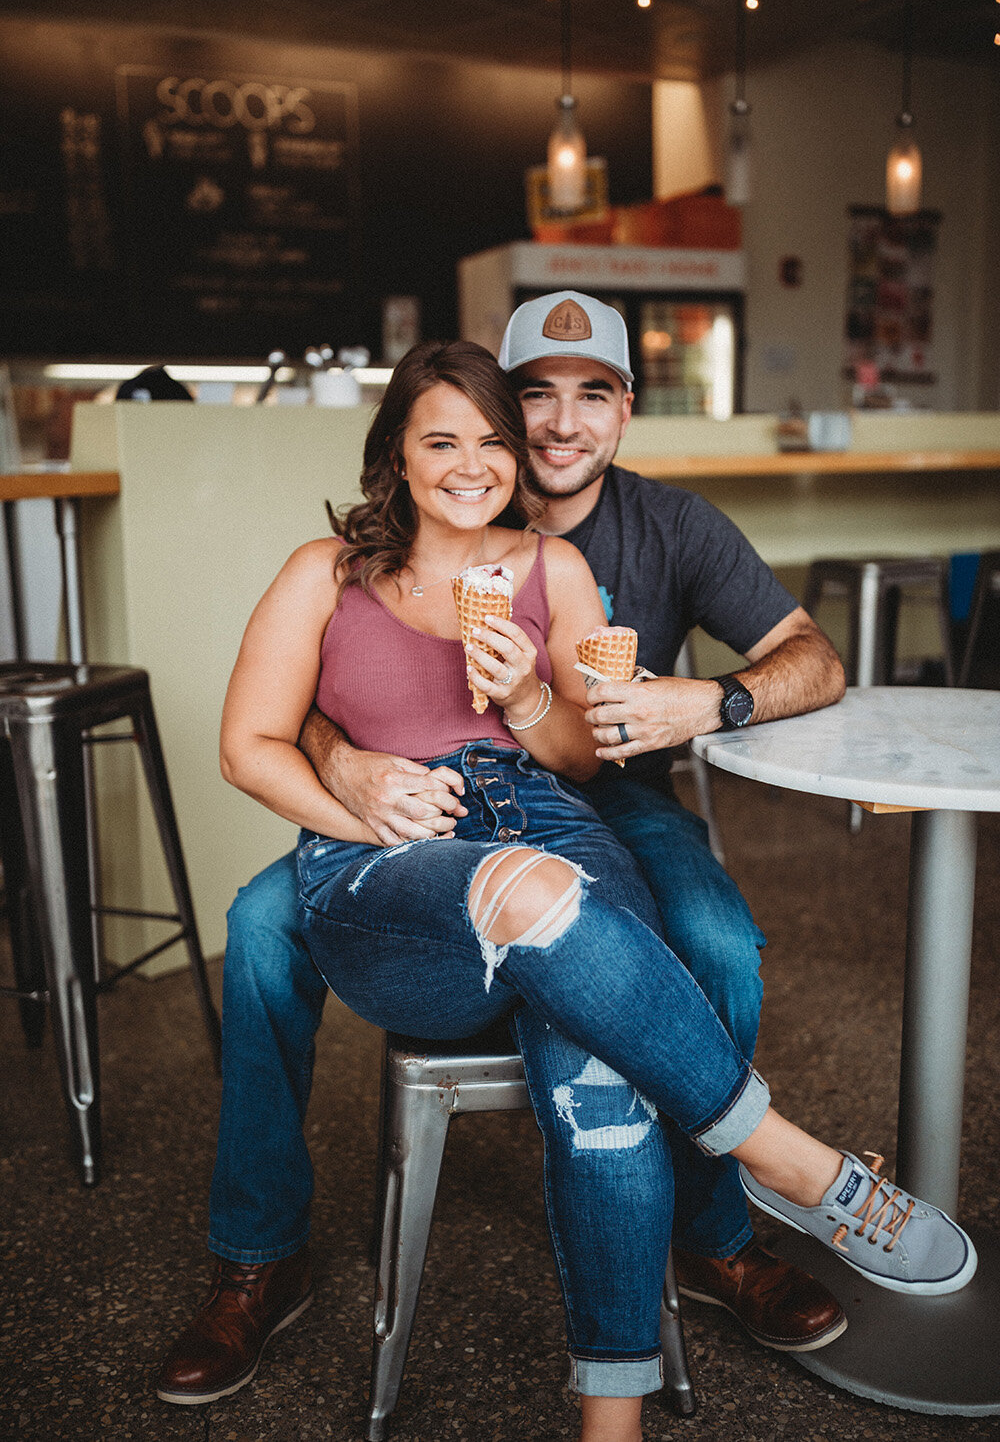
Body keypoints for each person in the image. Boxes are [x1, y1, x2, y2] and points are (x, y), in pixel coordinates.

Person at [158, 340, 975, 1441]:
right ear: (394, 450)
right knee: (439, 902)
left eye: (491, 442)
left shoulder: (554, 569)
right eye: (440, 439)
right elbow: (247, 746)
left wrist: (533, 690)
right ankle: (772, 1148)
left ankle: (611, 1417)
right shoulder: (325, 571)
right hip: (391, 849)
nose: (471, 462)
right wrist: (361, 801)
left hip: (543, 815)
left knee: (600, 1078)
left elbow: (585, 764)